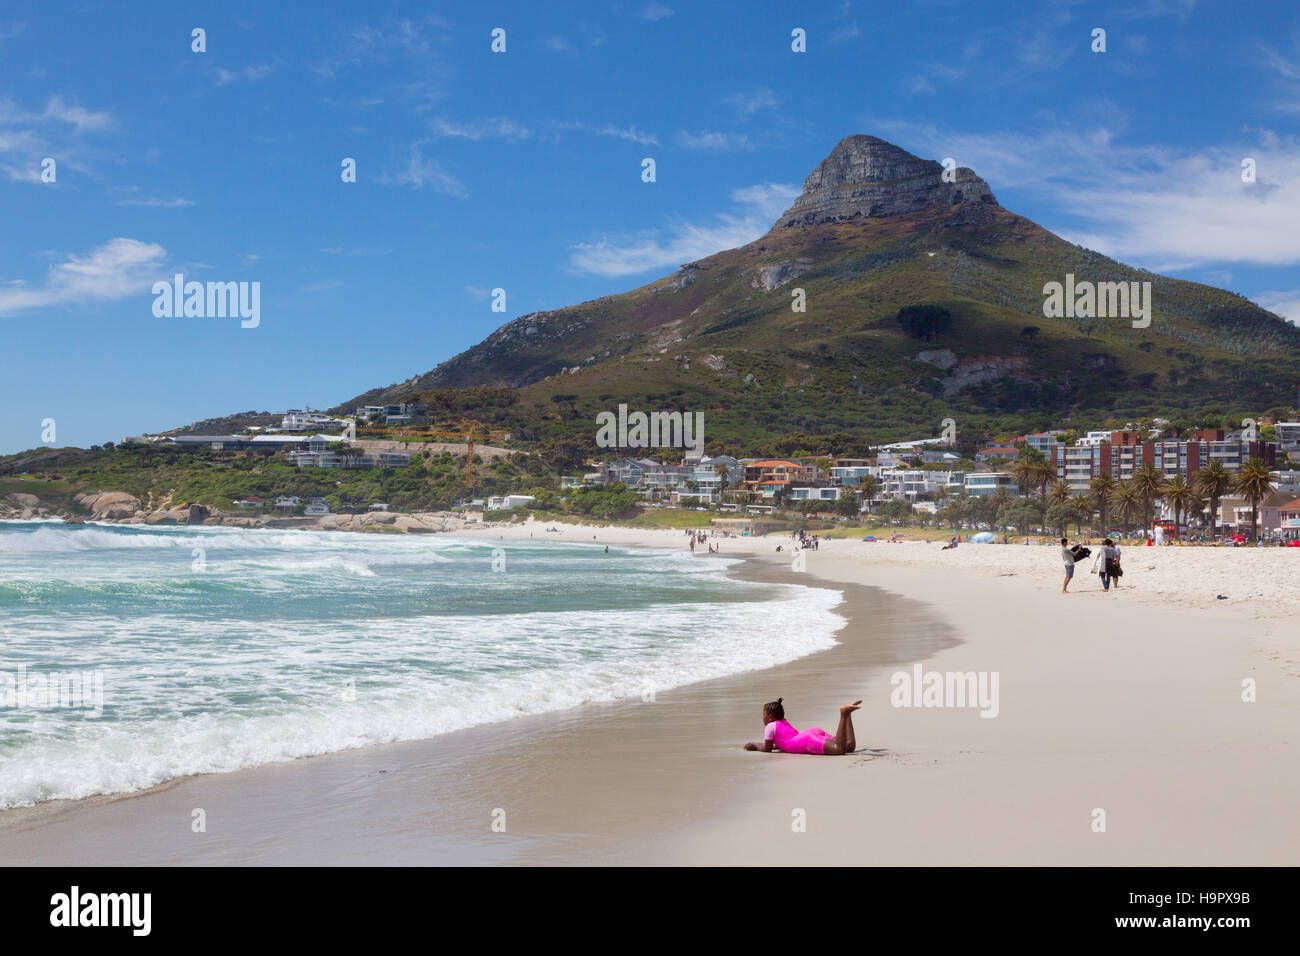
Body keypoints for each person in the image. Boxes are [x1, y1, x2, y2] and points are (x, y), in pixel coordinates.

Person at [744, 697, 862, 755]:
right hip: (810, 734)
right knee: (848, 746)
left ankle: (844, 714)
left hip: (807, 740)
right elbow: (781, 744)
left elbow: (767, 749)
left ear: (770, 717)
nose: (763, 717)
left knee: (839, 749)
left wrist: (754, 744)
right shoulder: (783, 722)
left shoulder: (770, 727)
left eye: (764, 714)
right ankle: (848, 714)